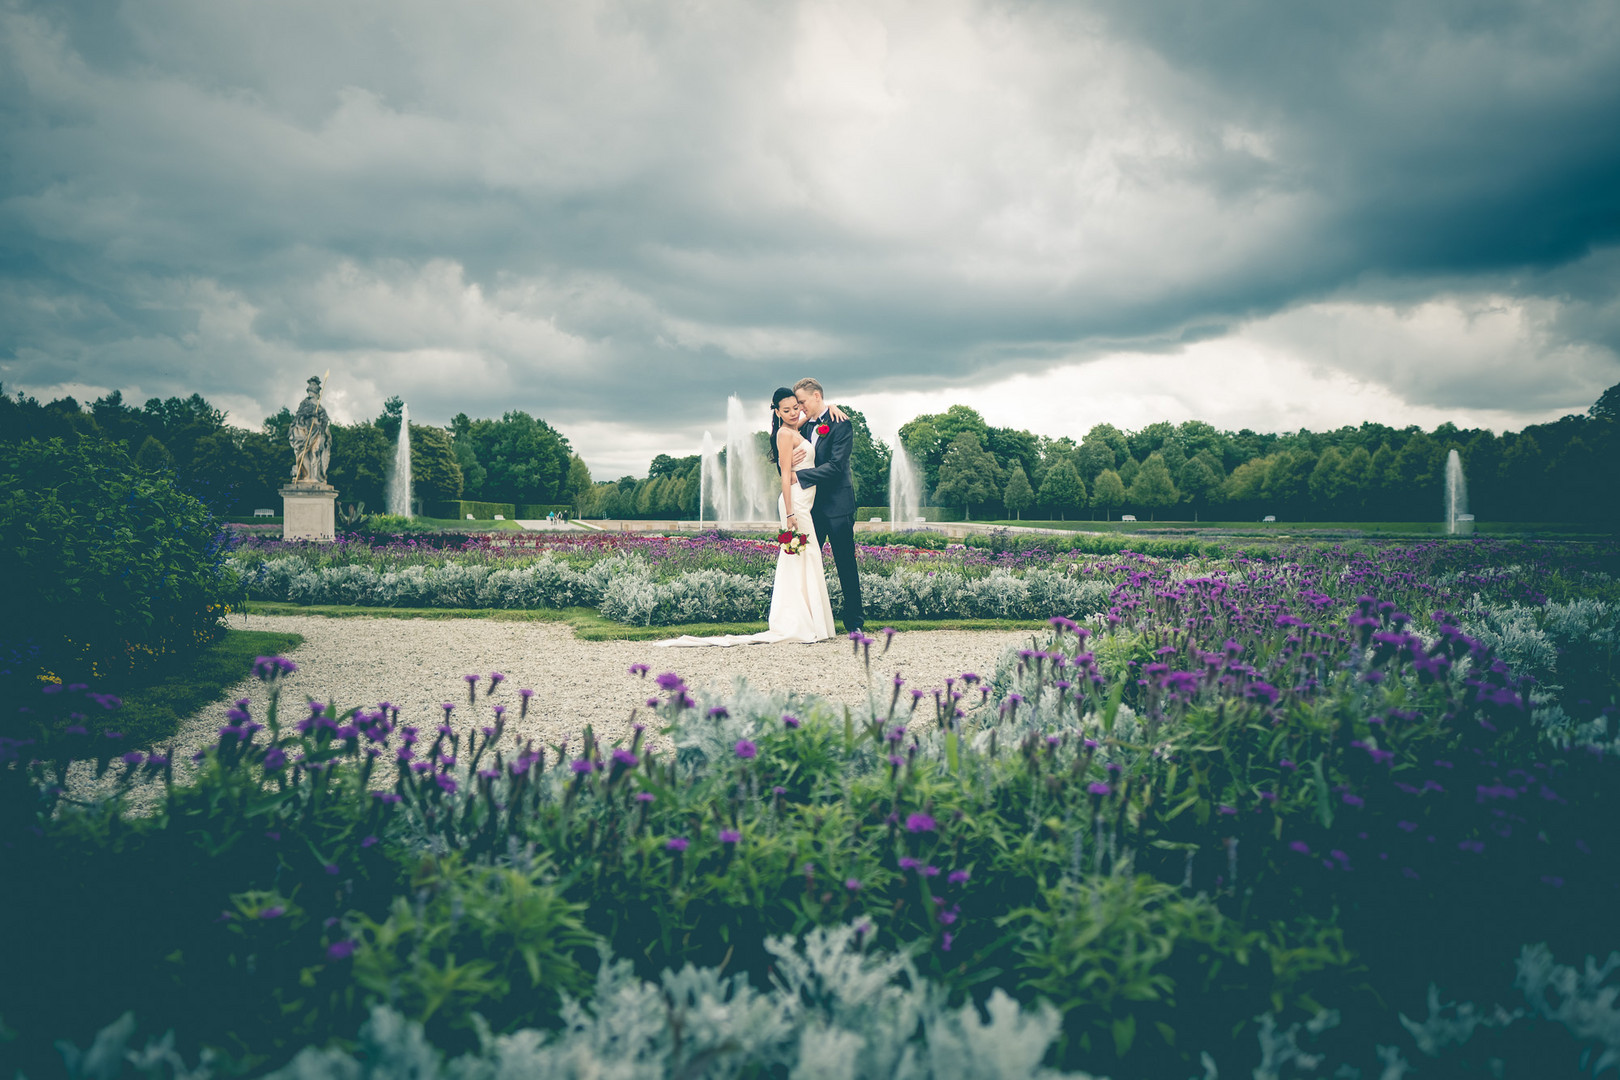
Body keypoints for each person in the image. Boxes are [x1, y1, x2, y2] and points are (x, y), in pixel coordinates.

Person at [655, 388, 837, 647]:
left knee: (807, 558)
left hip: (803, 502)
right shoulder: (785, 434)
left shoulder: (796, 428)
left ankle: (811, 621)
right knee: (802, 558)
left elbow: (817, 415)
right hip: (795, 502)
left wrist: (833, 407)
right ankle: (802, 622)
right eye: (786, 410)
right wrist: (789, 513)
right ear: (776, 412)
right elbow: (784, 476)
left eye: (796, 407)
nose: (794, 412)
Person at [791, 377, 865, 633]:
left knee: (845, 564)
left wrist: (798, 477)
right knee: (806, 562)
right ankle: (808, 620)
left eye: (802, 401)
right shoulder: (802, 426)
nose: (800, 407)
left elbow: (836, 466)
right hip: (810, 508)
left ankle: (855, 624)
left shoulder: (840, 424)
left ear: (816, 397)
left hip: (838, 506)